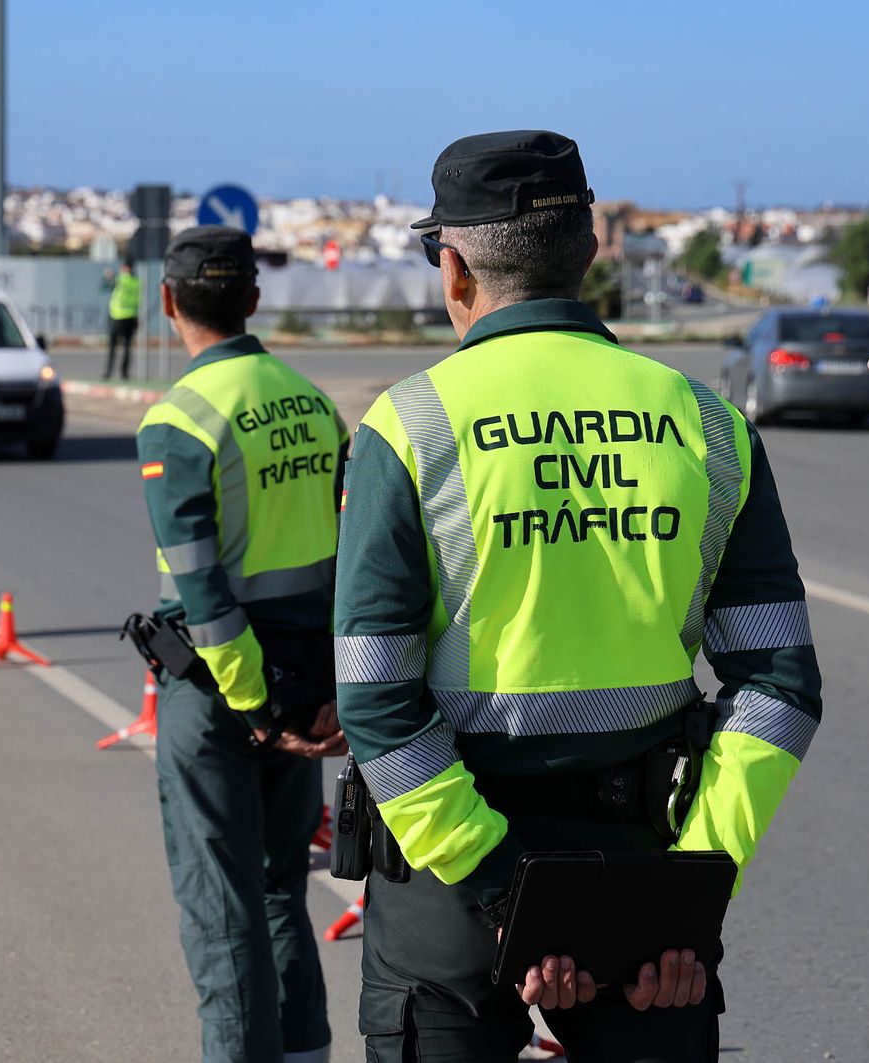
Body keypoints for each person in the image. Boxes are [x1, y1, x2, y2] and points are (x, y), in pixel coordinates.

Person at [334, 130, 823, 1060]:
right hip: (644, 875)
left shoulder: (408, 428)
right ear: (590, 251)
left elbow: (377, 702)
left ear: (454, 268)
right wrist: (691, 889)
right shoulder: (707, 425)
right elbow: (780, 688)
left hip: (453, 890)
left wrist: (506, 891)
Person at [135, 225, 349, 1063]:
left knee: (218, 904)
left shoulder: (178, 421)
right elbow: (346, 561)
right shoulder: (311, 400)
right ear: (254, 300)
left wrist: (256, 706)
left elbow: (202, 588)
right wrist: (321, 692)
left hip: (227, 696)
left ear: (166, 303)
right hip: (305, 685)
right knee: (279, 890)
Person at [104, 257, 140, 379]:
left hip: (117, 316)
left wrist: (108, 276)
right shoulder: (136, 281)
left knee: (113, 347)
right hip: (131, 317)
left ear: (124, 267)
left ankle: (109, 372)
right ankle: (124, 373)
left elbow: (105, 286)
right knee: (127, 347)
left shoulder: (120, 279)